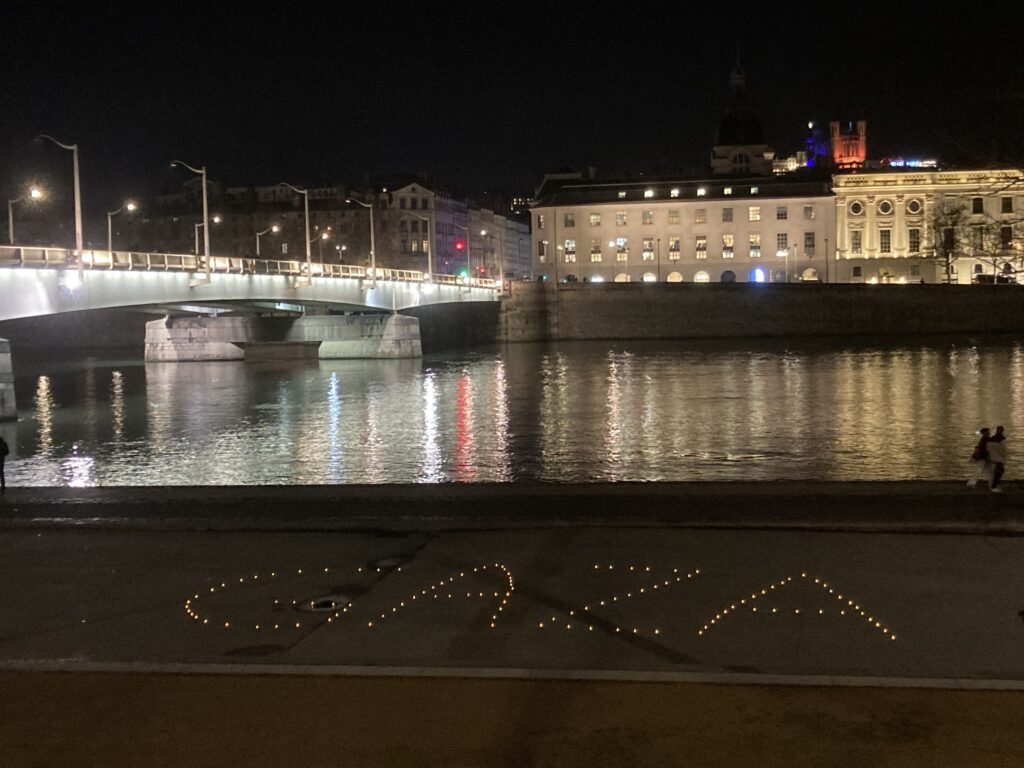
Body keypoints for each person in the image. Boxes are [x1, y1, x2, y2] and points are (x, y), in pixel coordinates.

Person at [987, 426, 1007, 493]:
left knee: (998, 471)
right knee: (999, 471)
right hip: (998, 458)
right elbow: (1003, 449)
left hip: (995, 457)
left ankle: (995, 484)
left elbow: (989, 448)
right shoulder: (1001, 439)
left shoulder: (992, 438)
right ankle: (994, 486)